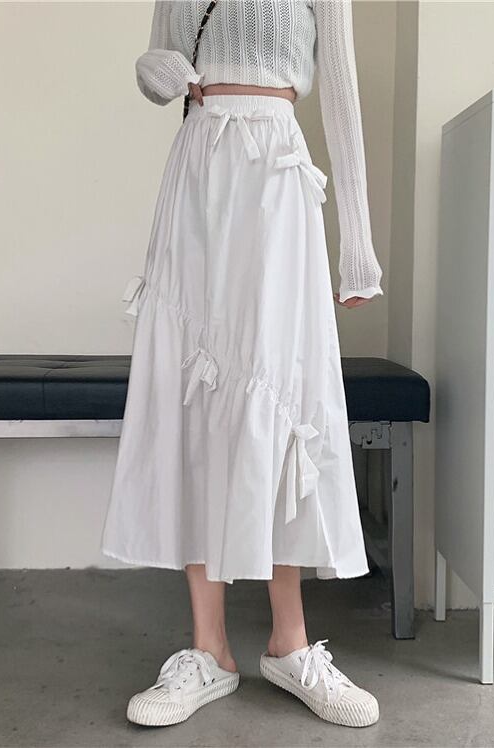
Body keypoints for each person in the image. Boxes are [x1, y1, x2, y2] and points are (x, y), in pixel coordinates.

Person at [101, 0, 384, 729]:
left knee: (281, 393)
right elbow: (155, 70)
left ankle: (290, 644)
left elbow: (342, 95)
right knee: (194, 391)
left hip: (278, 174)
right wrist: (161, 70)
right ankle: (209, 650)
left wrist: (357, 244)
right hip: (199, 173)